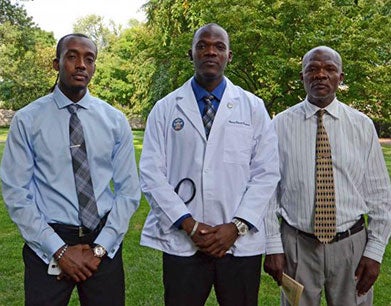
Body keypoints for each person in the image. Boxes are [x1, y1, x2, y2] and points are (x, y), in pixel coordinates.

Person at [139, 23, 280, 306]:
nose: (210, 52)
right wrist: (188, 224)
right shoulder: (166, 108)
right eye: (202, 46)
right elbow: (151, 173)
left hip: (239, 244)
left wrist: (236, 227)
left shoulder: (252, 107)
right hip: (185, 242)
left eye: (219, 47)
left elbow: (266, 173)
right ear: (191, 54)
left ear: (229, 56)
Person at [0, 33, 140, 305]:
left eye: (89, 59)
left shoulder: (113, 120)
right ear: (56, 63)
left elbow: (129, 192)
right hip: (48, 242)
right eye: (72, 56)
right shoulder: (28, 121)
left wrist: (99, 249)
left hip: (103, 239)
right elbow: (17, 194)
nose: (81, 65)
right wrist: (60, 251)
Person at [264, 46, 391, 305]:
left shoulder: (362, 126)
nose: (320, 75)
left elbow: (380, 195)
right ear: (302, 77)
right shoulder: (278, 126)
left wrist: (375, 251)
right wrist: (272, 246)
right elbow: (267, 192)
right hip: (297, 247)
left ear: (340, 77)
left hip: (351, 247)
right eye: (312, 69)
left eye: (329, 69)